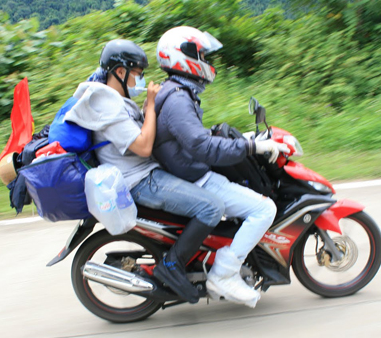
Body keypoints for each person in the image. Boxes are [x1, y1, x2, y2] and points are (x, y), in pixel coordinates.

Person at [61, 39, 226, 304]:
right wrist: (150, 104)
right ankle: (171, 266)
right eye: (137, 73)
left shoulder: (116, 100)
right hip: (140, 181)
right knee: (212, 208)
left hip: (145, 173)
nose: (140, 80)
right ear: (120, 71)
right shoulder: (107, 105)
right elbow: (144, 146)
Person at [153, 26, 290, 308]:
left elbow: (193, 137)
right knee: (264, 209)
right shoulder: (178, 99)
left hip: (189, 170)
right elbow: (200, 146)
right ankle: (224, 274)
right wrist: (251, 147)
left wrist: (245, 139)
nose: (206, 61)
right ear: (184, 57)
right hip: (194, 176)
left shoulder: (178, 92)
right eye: (202, 55)